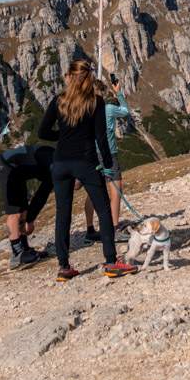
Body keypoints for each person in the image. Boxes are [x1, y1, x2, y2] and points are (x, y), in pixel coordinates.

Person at [37, 59, 137, 281]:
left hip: (60, 162)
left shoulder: (58, 101)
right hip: (86, 162)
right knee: (103, 209)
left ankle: (64, 267)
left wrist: (61, 137)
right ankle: (111, 261)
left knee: (63, 214)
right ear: (90, 77)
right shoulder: (96, 102)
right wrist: (109, 165)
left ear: (70, 77)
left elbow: (42, 132)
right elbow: (101, 137)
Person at [0, 142, 55, 269]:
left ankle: (25, 249)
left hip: (18, 171)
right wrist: (30, 221)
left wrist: (29, 218)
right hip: (5, 166)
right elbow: (41, 194)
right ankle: (17, 254)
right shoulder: (54, 166)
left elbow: (41, 195)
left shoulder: (55, 159)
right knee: (14, 212)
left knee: (23, 211)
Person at [83, 74, 131, 236]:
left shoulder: (85, 110)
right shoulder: (108, 109)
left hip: (90, 154)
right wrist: (118, 93)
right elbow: (125, 111)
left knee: (94, 191)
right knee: (116, 189)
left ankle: (90, 229)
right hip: (108, 153)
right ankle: (114, 227)